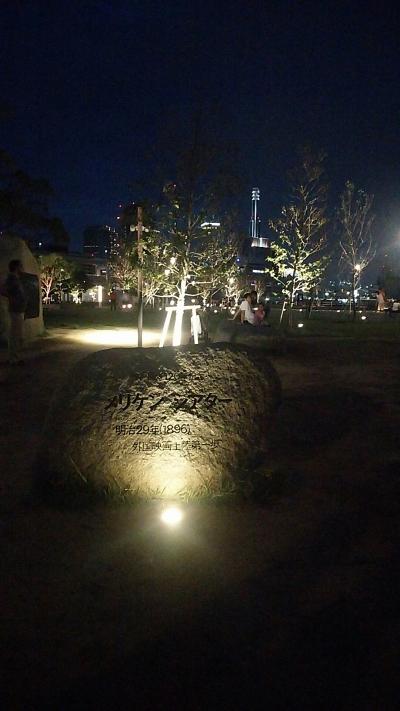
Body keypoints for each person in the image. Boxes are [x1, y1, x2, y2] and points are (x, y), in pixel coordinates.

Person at [4, 259, 27, 364]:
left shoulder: (16, 279)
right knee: (15, 335)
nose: (22, 268)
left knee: (17, 335)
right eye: (21, 266)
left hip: (18, 310)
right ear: (17, 267)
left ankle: (14, 357)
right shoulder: (12, 279)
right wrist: (13, 299)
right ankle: (13, 358)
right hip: (16, 310)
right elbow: (3, 290)